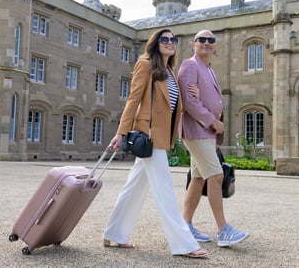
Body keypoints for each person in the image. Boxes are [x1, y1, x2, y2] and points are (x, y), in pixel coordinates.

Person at [103, 29, 208, 259]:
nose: (170, 43)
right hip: (149, 134)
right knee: (165, 188)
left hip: (161, 135)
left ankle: (114, 234)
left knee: (134, 187)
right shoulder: (145, 64)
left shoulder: (169, 70)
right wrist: (121, 132)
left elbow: (174, 104)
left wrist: (196, 95)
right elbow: (133, 99)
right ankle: (184, 244)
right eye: (165, 39)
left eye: (174, 40)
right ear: (155, 43)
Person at [178, 29, 250, 247]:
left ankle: (185, 226)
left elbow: (204, 97)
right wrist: (213, 121)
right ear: (193, 44)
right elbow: (188, 101)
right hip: (197, 131)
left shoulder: (208, 69)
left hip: (206, 133)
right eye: (201, 39)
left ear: (216, 46)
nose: (206, 43)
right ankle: (223, 231)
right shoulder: (190, 65)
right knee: (216, 177)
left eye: (211, 40)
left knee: (198, 179)